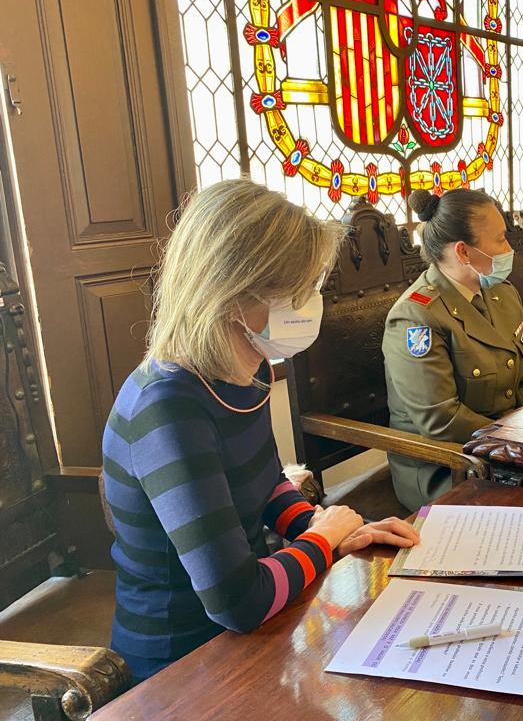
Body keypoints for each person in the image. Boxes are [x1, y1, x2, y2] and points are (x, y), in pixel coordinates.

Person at [102, 179, 420, 681]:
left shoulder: (247, 370)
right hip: (181, 661)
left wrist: (327, 527)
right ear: (233, 293)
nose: (312, 302)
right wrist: (324, 538)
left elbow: (268, 484)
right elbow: (238, 602)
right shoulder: (166, 408)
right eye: (299, 290)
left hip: (255, 629)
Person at [382, 188, 523, 511]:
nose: (509, 249)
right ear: (464, 252)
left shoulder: (502, 294)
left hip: (505, 449)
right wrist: (515, 438)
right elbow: (440, 420)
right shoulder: (417, 316)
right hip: (448, 465)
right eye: (500, 240)